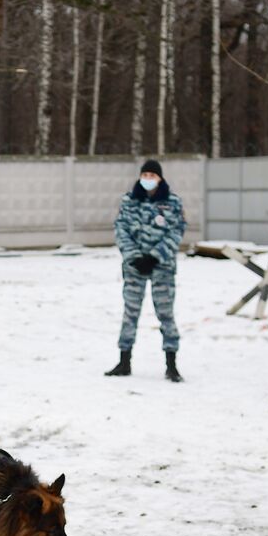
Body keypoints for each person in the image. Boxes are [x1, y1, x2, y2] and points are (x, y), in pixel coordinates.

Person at [106, 158, 186, 382]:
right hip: (134, 267)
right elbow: (120, 229)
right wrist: (134, 256)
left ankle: (171, 364)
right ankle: (124, 361)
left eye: (152, 176)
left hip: (162, 267)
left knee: (166, 314)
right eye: (145, 175)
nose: (148, 179)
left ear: (160, 178)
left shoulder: (172, 203)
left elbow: (177, 232)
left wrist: (155, 256)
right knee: (130, 314)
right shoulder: (130, 201)